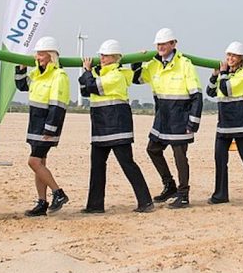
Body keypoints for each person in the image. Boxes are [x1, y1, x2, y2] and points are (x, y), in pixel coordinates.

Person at [78, 39, 153, 214]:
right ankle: (95, 205)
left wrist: (87, 71)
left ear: (116, 58)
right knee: (97, 166)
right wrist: (89, 72)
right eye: (101, 55)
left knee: (127, 164)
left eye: (105, 55)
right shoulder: (102, 73)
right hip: (100, 127)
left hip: (117, 128)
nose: (102, 58)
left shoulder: (117, 75)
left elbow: (91, 86)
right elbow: (84, 90)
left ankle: (146, 201)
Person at [132, 27, 202, 209]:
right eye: (159, 44)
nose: (161, 47)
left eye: (164, 43)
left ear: (173, 44)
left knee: (180, 157)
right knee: (153, 149)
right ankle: (169, 185)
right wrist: (137, 61)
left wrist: (193, 122)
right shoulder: (154, 64)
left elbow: (197, 95)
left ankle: (183, 194)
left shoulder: (185, 64)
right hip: (162, 118)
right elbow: (137, 79)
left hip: (180, 118)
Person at [14, 36, 70, 217]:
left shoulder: (59, 76)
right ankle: (42, 203)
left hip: (47, 128)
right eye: (36, 54)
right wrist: (21, 68)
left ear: (51, 56)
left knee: (34, 162)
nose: (37, 57)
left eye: (40, 54)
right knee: (41, 164)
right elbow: (22, 85)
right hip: (35, 126)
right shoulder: (37, 74)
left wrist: (50, 129)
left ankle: (58, 193)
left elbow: (58, 105)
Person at [206, 42, 243, 205]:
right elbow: (210, 91)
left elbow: (226, 89)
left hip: (240, 121)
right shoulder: (224, 75)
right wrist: (214, 75)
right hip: (224, 121)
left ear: (241, 58)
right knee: (219, 157)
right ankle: (220, 195)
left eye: (233, 56)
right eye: (228, 55)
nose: (230, 58)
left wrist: (223, 73)